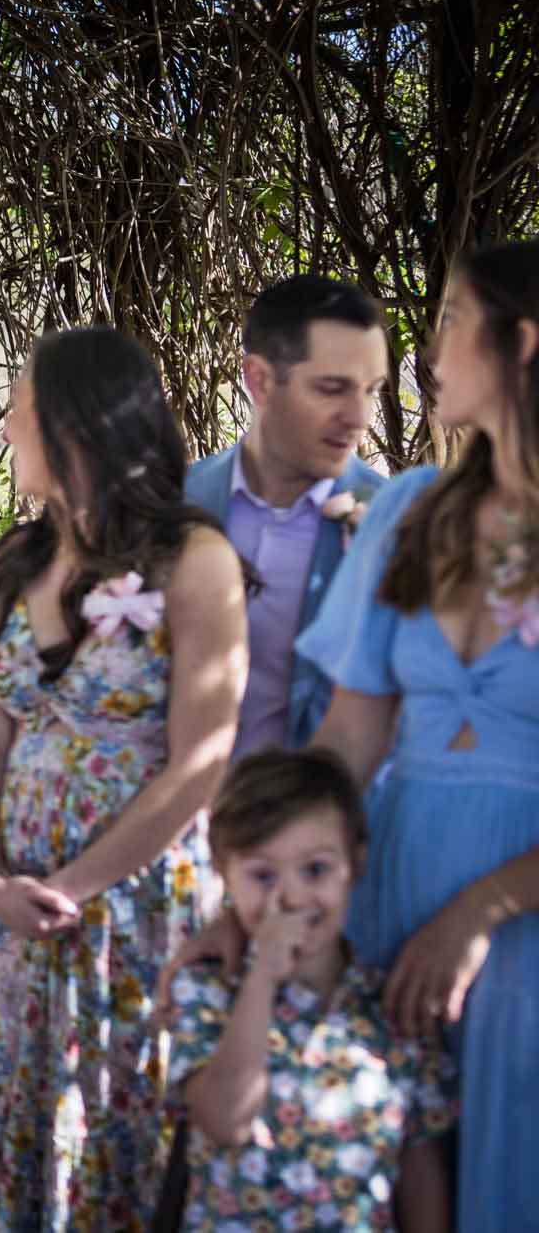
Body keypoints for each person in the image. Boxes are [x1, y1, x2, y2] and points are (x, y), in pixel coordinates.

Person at [0, 328, 247, 1231]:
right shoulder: (18, 562)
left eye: (19, 413)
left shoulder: (193, 559)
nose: (6, 433)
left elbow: (202, 759)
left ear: (78, 424)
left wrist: (72, 887)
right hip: (23, 921)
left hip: (133, 911)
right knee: (29, 1117)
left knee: (118, 1121)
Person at [287, 241, 539, 1230]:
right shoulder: (409, 511)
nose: (427, 349)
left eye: (447, 320)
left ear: (520, 341)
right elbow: (345, 739)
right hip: (384, 904)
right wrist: (264, 880)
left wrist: (477, 913)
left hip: (518, 930)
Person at [168, 747, 454, 1232]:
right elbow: (224, 1120)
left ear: (355, 862)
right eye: (262, 875)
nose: (293, 896)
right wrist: (262, 978)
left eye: (315, 870)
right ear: (223, 872)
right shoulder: (207, 991)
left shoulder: (393, 1007)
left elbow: (419, 1167)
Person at [185, 275, 388, 757]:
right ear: (259, 380)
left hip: (333, 817)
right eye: (332, 388)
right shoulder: (174, 501)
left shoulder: (394, 522)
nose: (358, 417)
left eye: (372, 390)